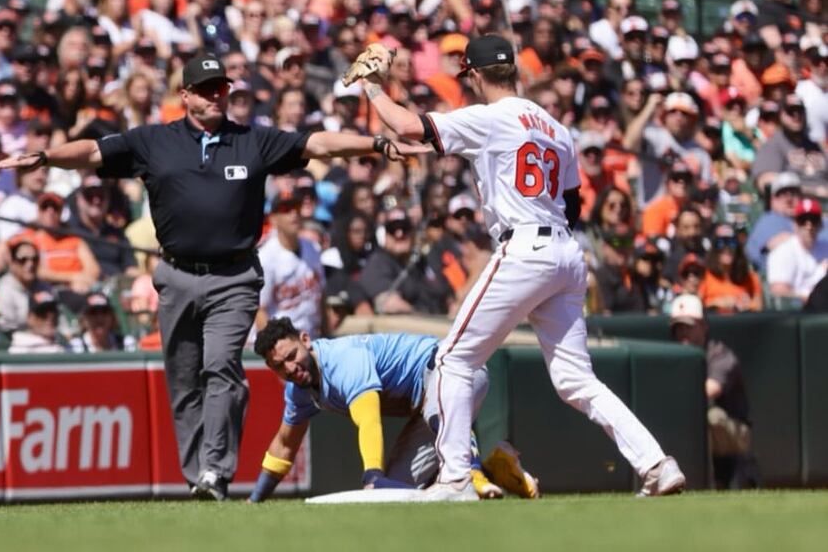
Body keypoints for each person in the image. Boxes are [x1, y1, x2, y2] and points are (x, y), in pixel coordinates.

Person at [0, 52, 426, 501]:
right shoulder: (153, 141)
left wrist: (376, 144)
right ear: (185, 96)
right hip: (176, 275)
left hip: (233, 278)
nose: (217, 95)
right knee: (183, 381)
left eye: (221, 87)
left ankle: (215, 473)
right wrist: (46, 158)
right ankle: (197, 475)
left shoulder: (250, 140)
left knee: (221, 366)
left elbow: (316, 144)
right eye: (205, 89)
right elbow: (94, 151)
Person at [362, 34, 685, 500]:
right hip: (566, 253)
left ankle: (453, 478)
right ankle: (656, 463)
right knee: (576, 379)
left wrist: (372, 88)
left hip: (524, 249)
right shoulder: (555, 126)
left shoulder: (489, 117)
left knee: (453, 360)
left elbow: (408, 125)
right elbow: (571, 204)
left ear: (473, 75)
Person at [247, 317, 538, 502]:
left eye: (291, 355)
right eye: (279, 366)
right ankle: (495, 466)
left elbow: (368, 418)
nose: (290, 368)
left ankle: (474, 475)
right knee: (396, 492)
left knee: (438, 416)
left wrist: (372, 473)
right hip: (427, 402)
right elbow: (285, 444)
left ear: (306, 340)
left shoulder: (341, 359)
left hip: (454, 370)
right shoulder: (299, 389)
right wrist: (255, 500)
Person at [669, 295, 757, 489]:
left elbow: (710, 391)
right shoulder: (670, 357)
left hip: (735, 432)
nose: (683, 332)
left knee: (709, 417)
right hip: (699, 425)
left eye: (689, 326)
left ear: (704, 326)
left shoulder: (719, 354)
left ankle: (705, 485)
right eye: (678, 327)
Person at [256, 189, 324, 336]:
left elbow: (321, 296)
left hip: (310, 338)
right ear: (273, 218)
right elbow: (259, 311)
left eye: (297, 207)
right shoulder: (266, 257)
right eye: (286, 209)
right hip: (279, 342)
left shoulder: (313, 248)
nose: (294, 213)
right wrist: (275, 346)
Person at [767, 198, 828, 302]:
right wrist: (814, 299)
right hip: (798, 314)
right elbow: (779, 292)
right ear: (795, 224)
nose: (809, 226)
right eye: (803, 220)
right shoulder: (783, 252)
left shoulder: (826, 248)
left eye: (813, 220)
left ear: (820, 224)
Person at [0, 239, 53, 333]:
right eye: (23, 260)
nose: (30, 264)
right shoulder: (4, 289)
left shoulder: (45, 287)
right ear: (12, 263)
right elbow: (7, 327)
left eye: (35, 259)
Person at [69, 292, 134, 352]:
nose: (99, 318)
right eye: (93, 312)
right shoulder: (75, 347)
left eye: (104, 312)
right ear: (84, 319)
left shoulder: (126, 343)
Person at [8, 290, 69, 354]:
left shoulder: (64, 342)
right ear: (30, 318)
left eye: (54, 311)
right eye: (42, 312)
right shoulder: (20, 350)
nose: (50, 317)